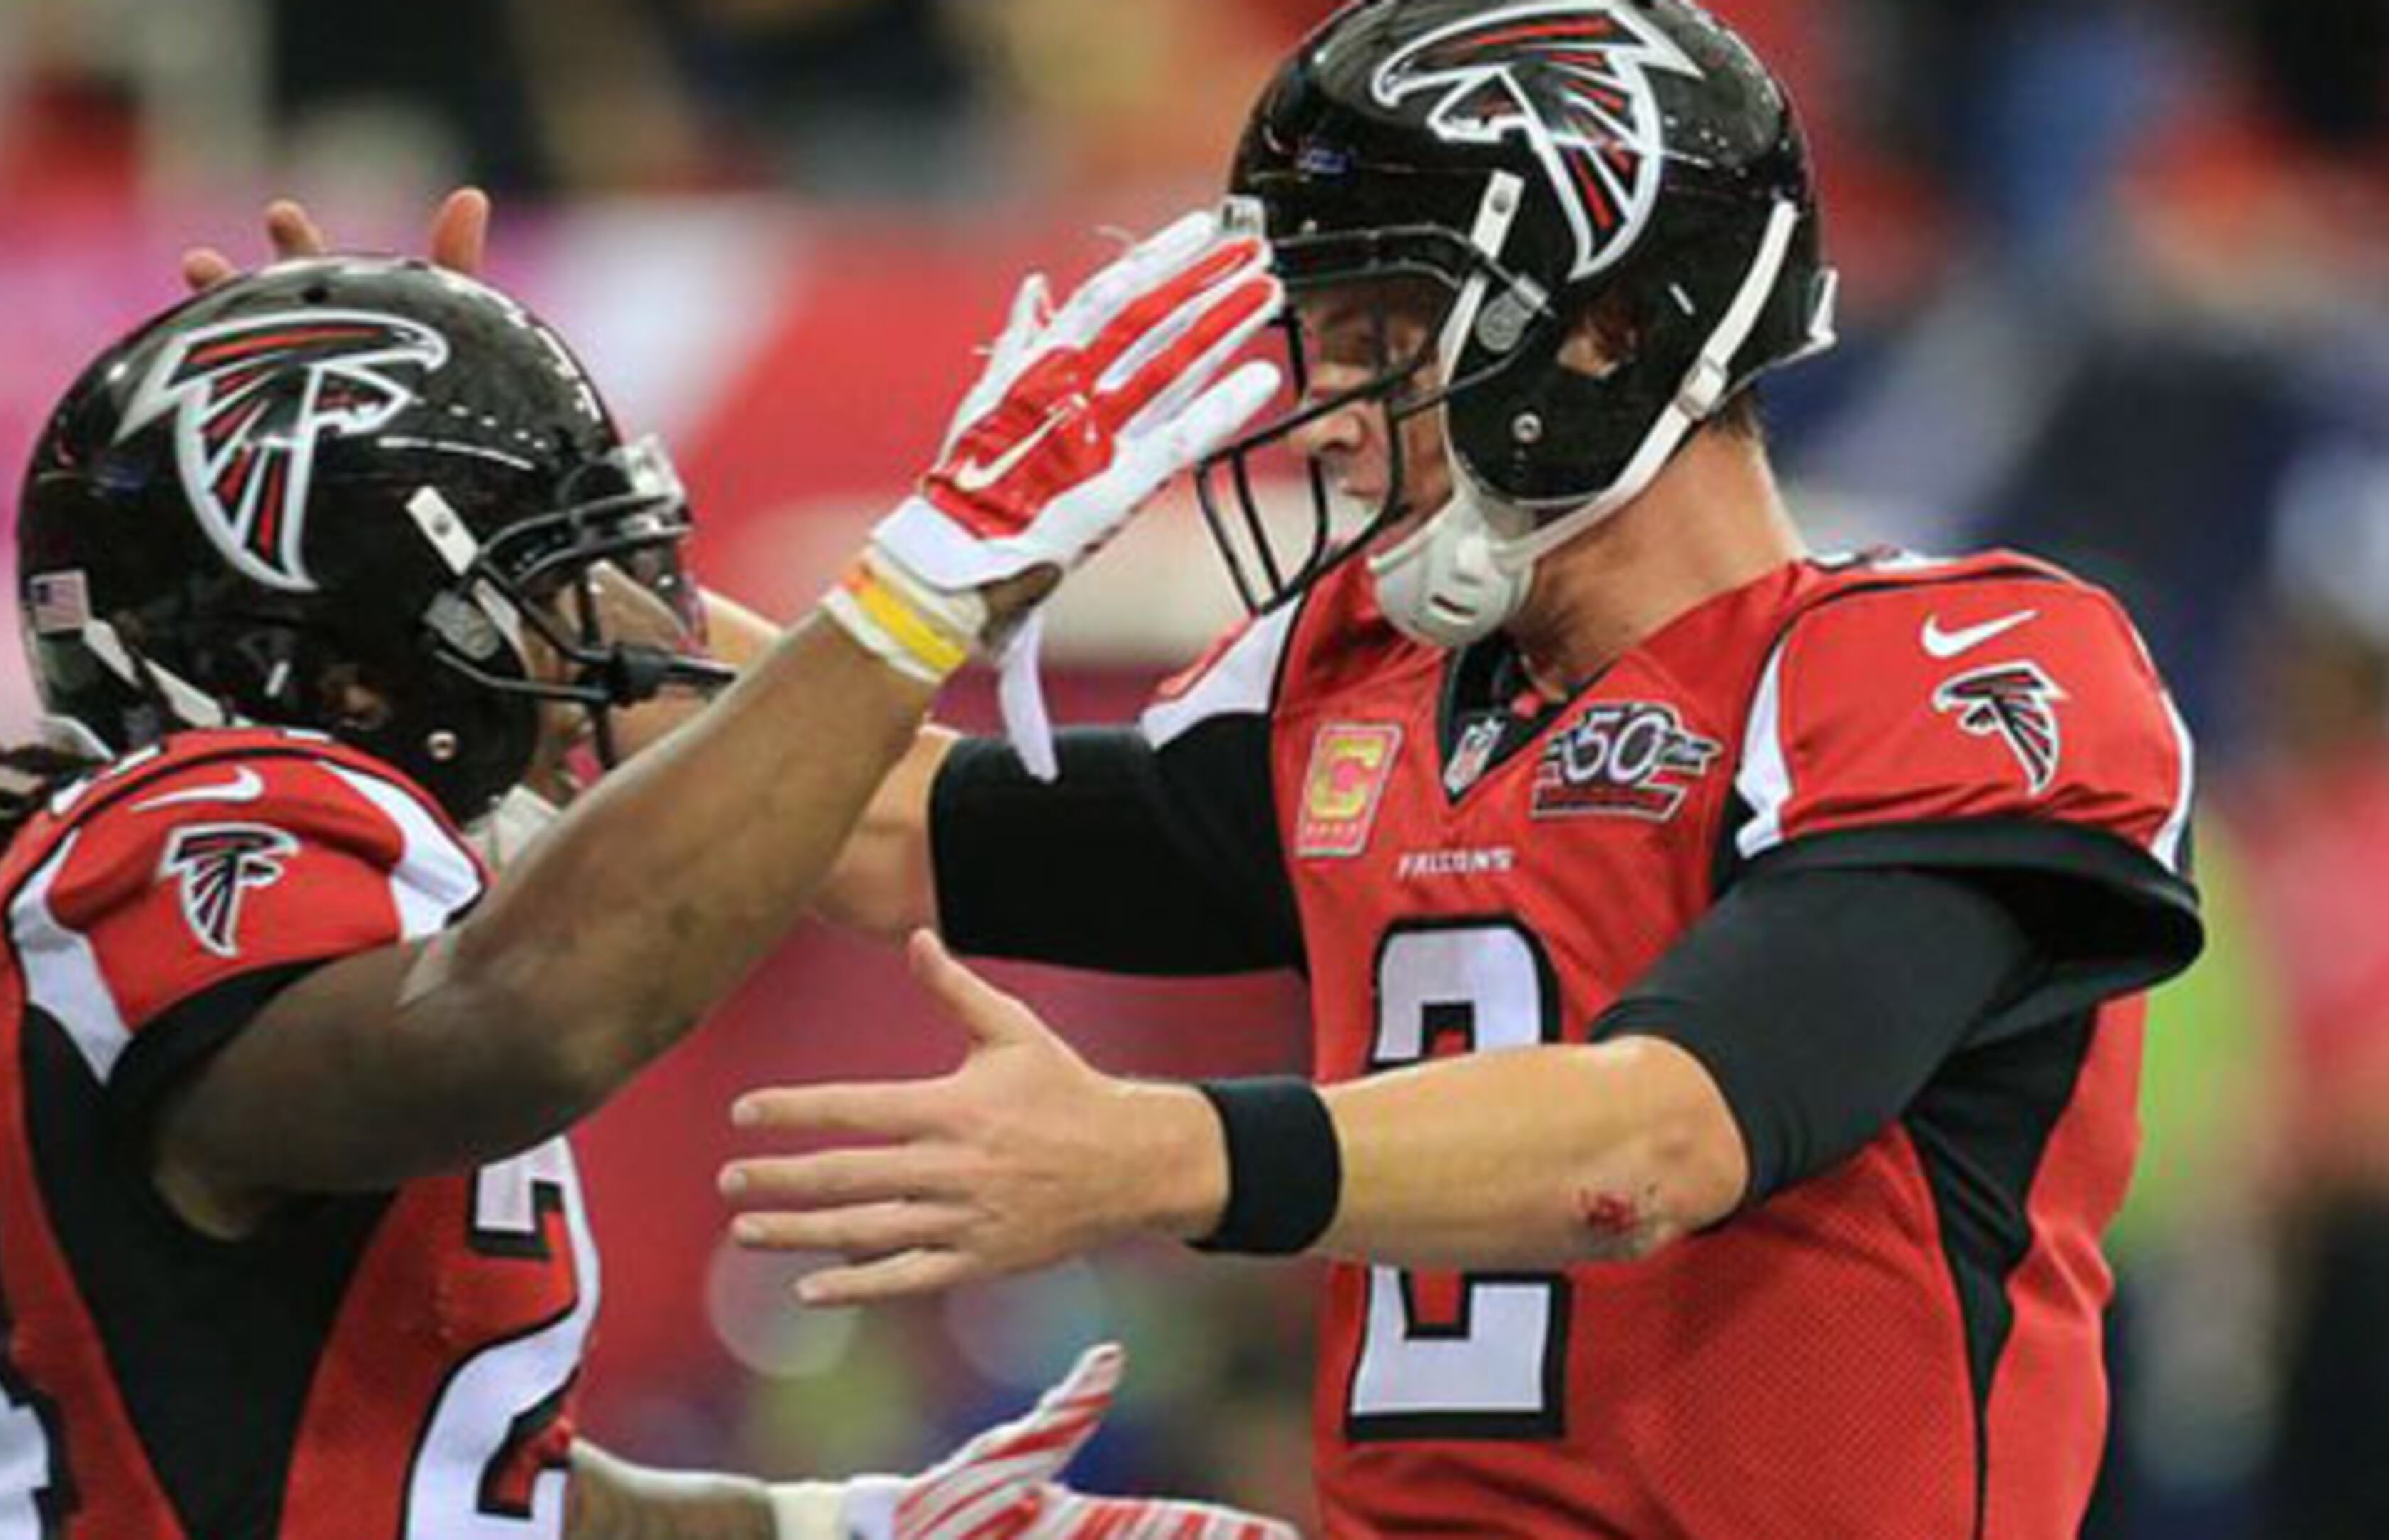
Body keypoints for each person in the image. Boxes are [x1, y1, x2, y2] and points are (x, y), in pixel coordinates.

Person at [711, 3, 2207, 1536]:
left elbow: (1658, 1138)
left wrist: (1166, 1154)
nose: (1328, 412)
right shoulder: (1375, 688)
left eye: (1387, 335)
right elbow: (882, 826)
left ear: (1610, 327)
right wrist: (542, 591)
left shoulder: (1950, 671)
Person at [0, 191, 1300, 1539]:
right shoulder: (186, 828)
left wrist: (834, 1521)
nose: (625, 634)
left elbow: (459, 1484)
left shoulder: (304, 868)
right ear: (351, 671)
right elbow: (531, 1020)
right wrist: (914, 599)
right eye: (555, 581)